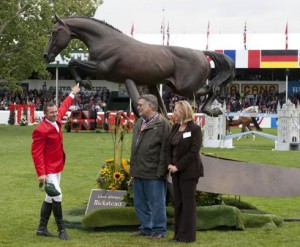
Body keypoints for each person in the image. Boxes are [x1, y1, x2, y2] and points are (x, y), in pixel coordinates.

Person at [31, 83, 80, 241]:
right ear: (44, 113)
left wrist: (72, 94)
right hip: (49, 169)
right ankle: (61, 230)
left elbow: (64, 106)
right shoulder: (40, 129)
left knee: (49, 197)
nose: (54, 114)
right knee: (57, 196)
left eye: (55, 111)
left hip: (58, 166)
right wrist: (41, 174)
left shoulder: (57, 117)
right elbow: (36, 153)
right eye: (51, 112)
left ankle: (41, 228)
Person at [130, 94, 171, 239]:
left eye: (141, 105)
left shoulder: (163, 124)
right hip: (138, 170)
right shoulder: (139, 122)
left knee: (157, 203)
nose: (138, 107)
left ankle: (159, 230)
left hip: (154, 172)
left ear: (151, 106)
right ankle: (146, 227)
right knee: (140, 203)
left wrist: (161, 171)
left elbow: (166, 150)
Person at [168, 100, 203, 243]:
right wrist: (169, 163)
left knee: (188, 204)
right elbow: (169, 146)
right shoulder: (175, 127)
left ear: (183, 111)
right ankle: (178, 235)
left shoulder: (194, 129)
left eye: (176, 110)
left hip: (189, 172)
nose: (174, 112)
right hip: (175, 171)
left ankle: (187, 237)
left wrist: (178, 166)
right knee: (179, 203)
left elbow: (193, 152)